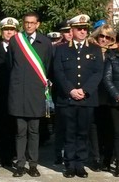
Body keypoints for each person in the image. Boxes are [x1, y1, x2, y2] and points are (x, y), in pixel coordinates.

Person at [53, 14, 104, 178]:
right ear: (72, 30)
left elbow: (98, 73)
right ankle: (69, 164)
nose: (83, 32)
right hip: (67, 98)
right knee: (69, 132)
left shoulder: (94, 48)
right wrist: (71, 90)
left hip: (87, 99)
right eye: (79, 29)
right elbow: (58, 72)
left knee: (83, 132)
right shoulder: (61, 49)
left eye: (85, 29)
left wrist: (85, 90)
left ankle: (80, 164)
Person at [7, 12, 53, 177]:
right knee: (20, 131)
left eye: (32, 23)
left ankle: (33, 165)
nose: (28, 26)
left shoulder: (46, 43)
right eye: (26, 23)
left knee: (34, 131)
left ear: (38, 24)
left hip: (35, 93)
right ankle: (20, 165)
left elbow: (47, 67)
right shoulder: (15, 41)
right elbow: (10, 64)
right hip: (19, 93)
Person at [88, 24, 117, 172]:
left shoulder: (114, 53)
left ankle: (107, 158)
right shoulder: (90, 49)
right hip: (93, 94)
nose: (104, 39)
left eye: (108, 37)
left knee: (109, 128)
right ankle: (96, 158)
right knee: (94, 128)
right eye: (102, 36)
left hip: (110, 96)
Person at [0, 17, 19, 167]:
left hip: (15, 93)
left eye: (12, 30)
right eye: (6, 30)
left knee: (14, 126)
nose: (9, 32)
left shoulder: (22, 48)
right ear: (1, 32)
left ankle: (10, 155)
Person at [103, 30, 119, 177]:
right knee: (118, 133)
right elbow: (107, 79)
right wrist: (118, 97)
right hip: (116, 101)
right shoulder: (111, 58)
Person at [52, 19, 73, 165]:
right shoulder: (56, 48)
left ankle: (71, 154)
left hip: (78, 92)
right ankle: (58, 153)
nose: (69, 34)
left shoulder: (81, 47)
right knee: (60, 125)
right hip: (60, 91)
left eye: (71, 30)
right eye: (66, 31)